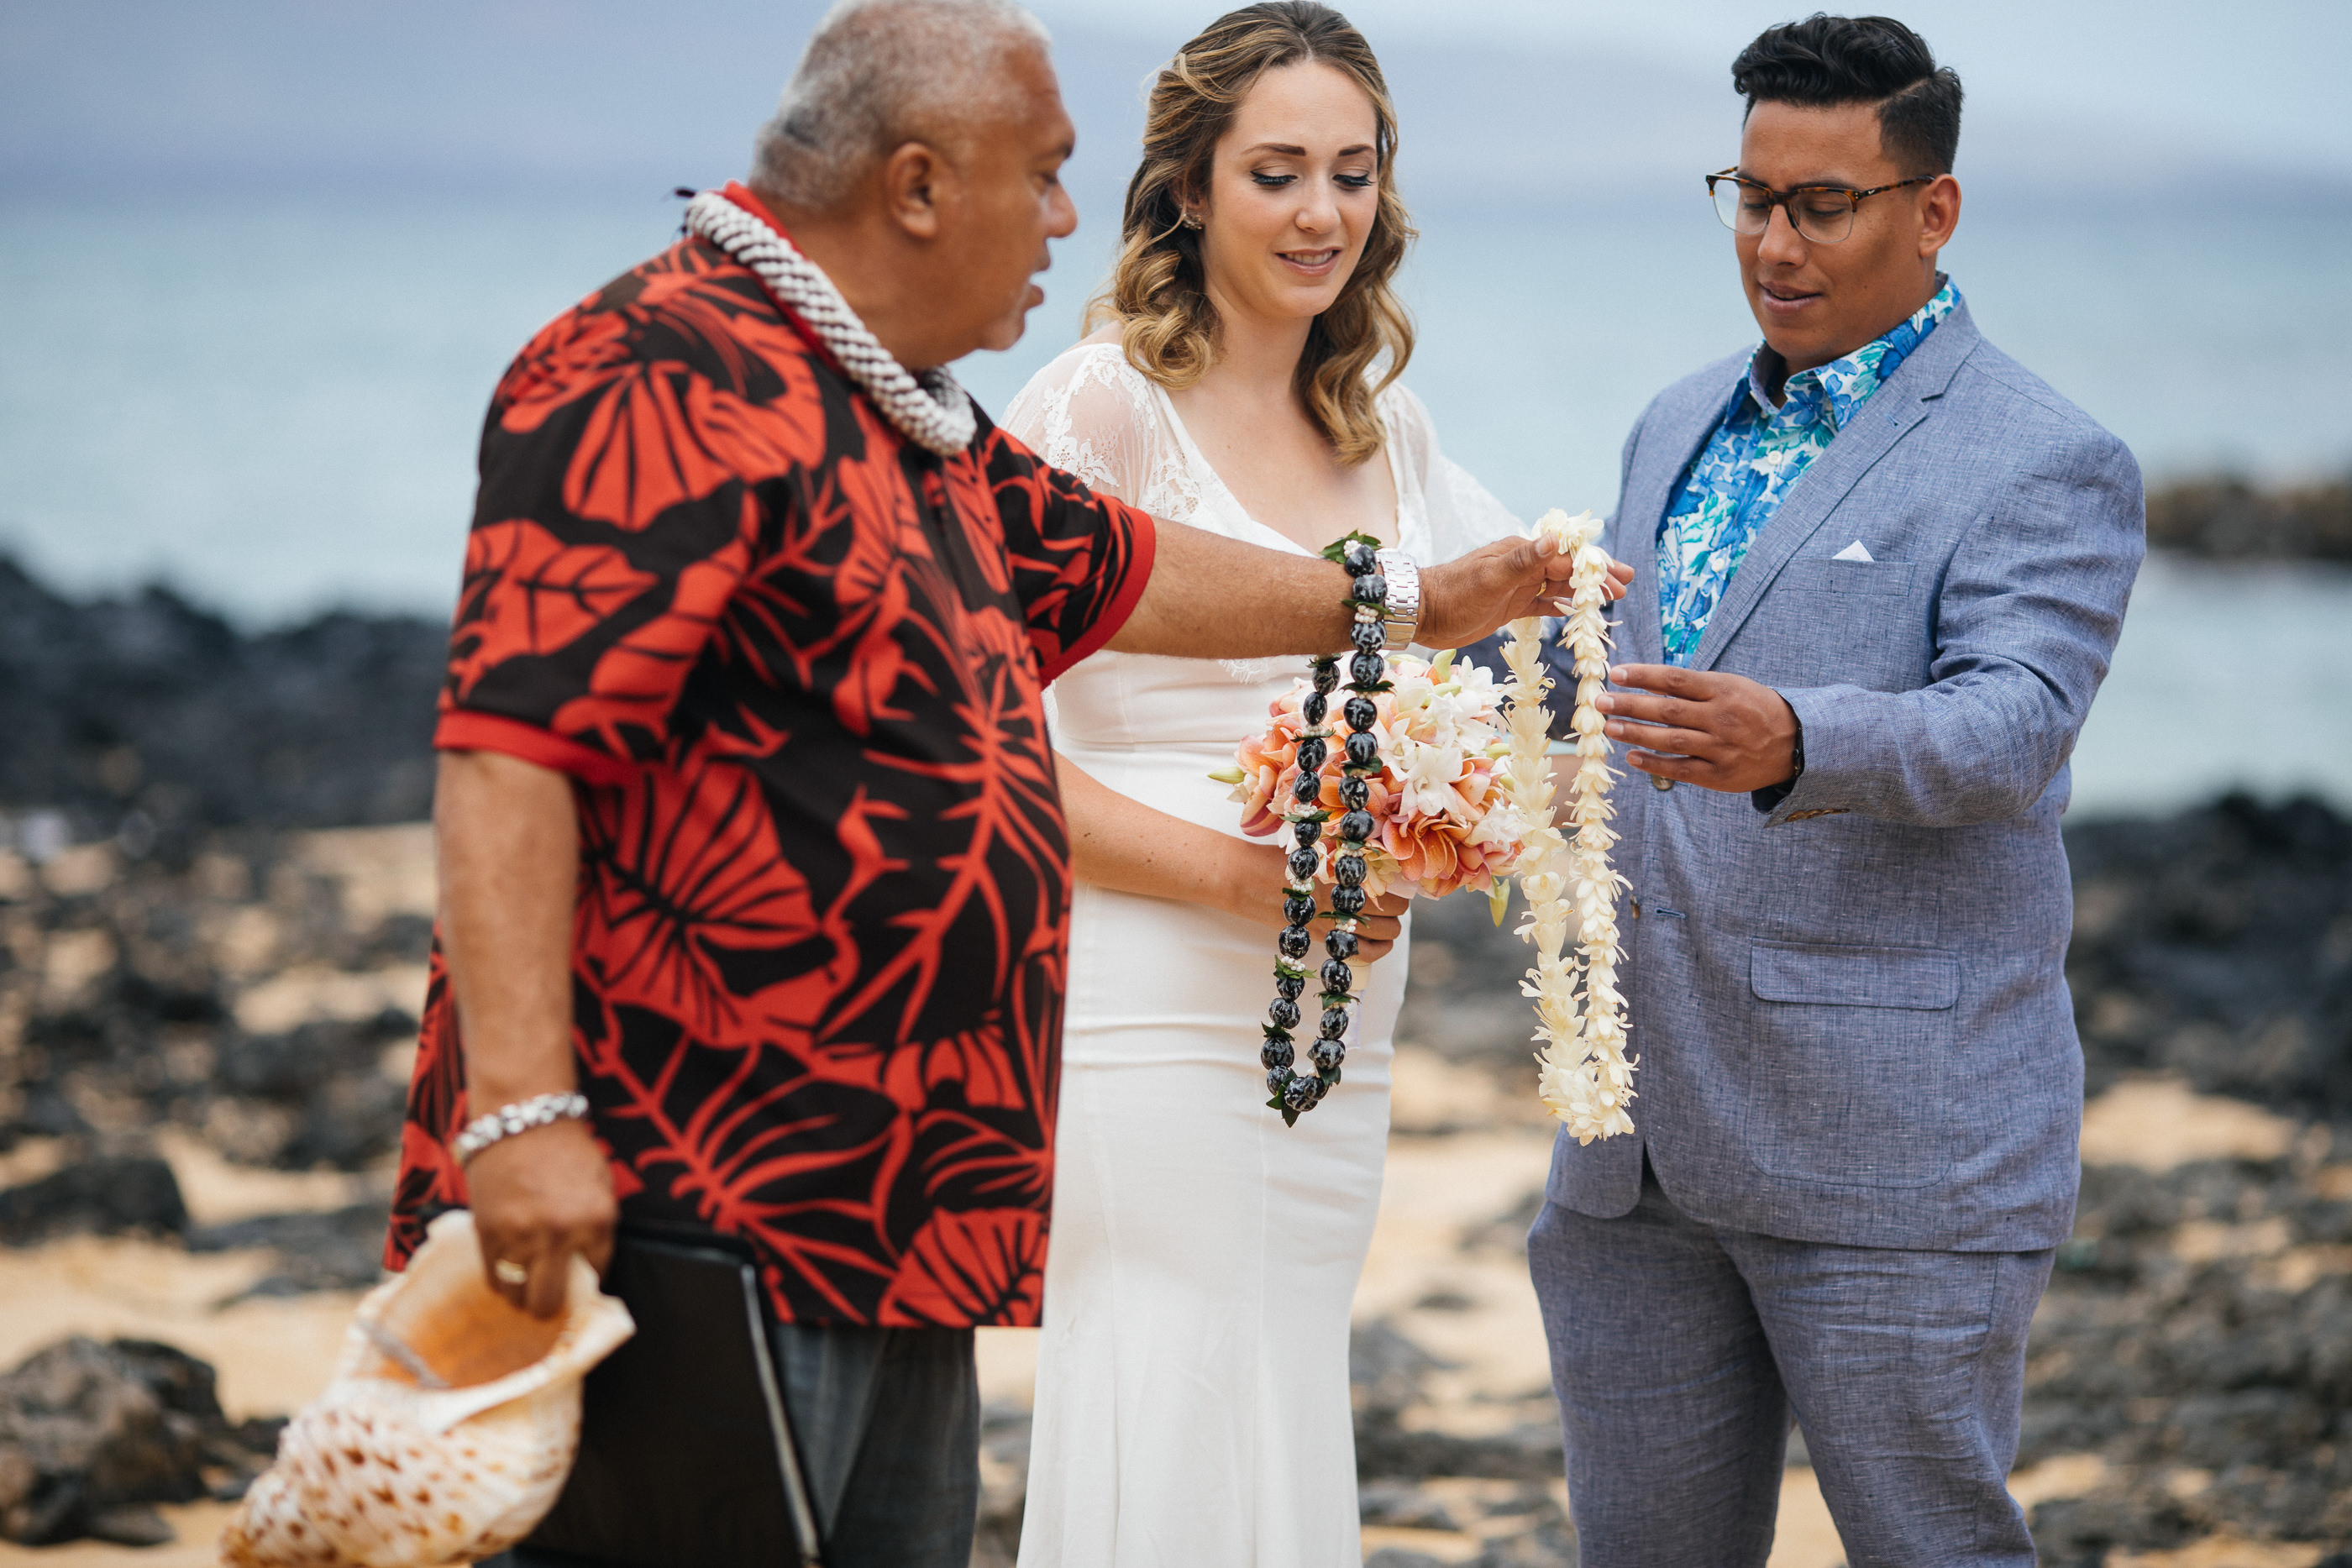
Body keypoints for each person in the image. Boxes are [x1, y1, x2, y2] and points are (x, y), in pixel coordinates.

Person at [381, 2, 1580, 1565]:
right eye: (1048, 170)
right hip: (703, 1183)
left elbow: (1121, 564)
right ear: (919, 183)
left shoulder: (915, 419)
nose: (1076, 217)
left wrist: (1419, 603)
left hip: (909, 1186)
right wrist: (522, 1116)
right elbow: (508, 751)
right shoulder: (650, 369)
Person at [998, 6, 1625, 1563]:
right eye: (1276, 171)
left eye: (1353, 172)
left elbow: (1534, 640)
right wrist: (1242, 877)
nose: (1321, 212)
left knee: (1280, 1378)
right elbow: (985, 753)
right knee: (1167, 1377)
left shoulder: (1388, 433)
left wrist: (1478, 806)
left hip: (1345, 1009)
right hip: (1150, 996)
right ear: (1190, 186)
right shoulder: (1094, 411)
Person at [1524, 16, 2144, 1565]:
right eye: (1751, 195)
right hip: (1629, 1152)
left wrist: (1800, 739)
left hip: (1894, 1155)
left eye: (1823, 205)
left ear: (1931, 210)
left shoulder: (2047, 457)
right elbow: (1599, 687)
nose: (1773, 242)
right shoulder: (1674, 421)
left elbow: (2016, 725)